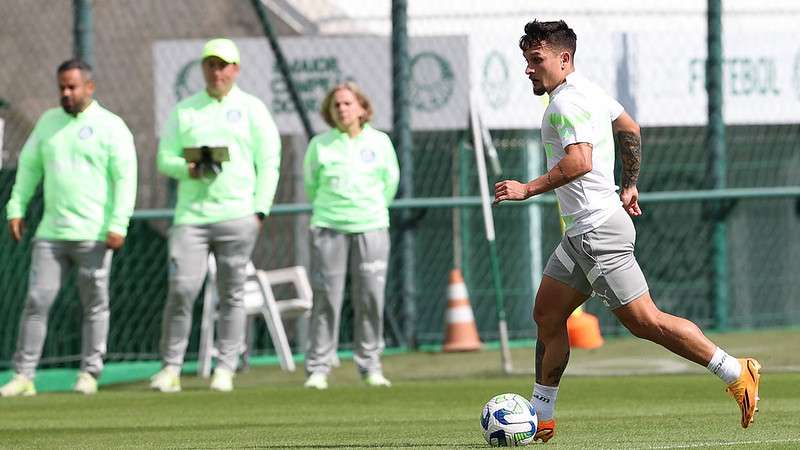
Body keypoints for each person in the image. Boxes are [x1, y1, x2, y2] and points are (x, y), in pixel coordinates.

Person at [493, 20, 761, 442]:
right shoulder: (588, 92)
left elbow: (579, 161)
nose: (528, 68)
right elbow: (629, 128)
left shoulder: (565, 104)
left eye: (536, 59)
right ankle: (541, 415)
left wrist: (528, 188)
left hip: (598, 233)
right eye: (526, 60)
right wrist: (629, 183)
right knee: (547, 314)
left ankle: (734, 369)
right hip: (582, 234)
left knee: (645, 321)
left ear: (564, 59)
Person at [149, 38, 281, 393]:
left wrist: (259, 209)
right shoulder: (185, 110)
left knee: (232, 294)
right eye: (210, 64)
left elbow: (269, 162)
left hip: (238, 216)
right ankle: (171, 368)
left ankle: (225, 368)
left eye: (223, 64)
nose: (216, 71)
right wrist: (188, 169)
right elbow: (164, 158)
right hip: (191, 217)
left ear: (236, 69)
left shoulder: (253, 109)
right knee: (181, 290)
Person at [1, 59, 138, 397]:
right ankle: (24, 376)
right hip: (51, 233)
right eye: (61, 86)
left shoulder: (111, 126)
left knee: (94, 304)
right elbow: (30, 167)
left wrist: (118, 223)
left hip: (94, 236)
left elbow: (125, 178)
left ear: (89, 87)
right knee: (37, 301)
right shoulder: (48, 122)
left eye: (72, 87)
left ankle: (90, 373)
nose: (66, 92)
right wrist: (16, 207)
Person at [302, 82, 399, 390]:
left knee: (370, 297)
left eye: (347, 103)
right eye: (336, 105)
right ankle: (319, 368)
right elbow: (311, 184)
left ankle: (370, 366)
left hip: (370, 226)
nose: (342, 109)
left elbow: (390, 183)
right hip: (328, 227)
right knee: (326, 298)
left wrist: (367, 211)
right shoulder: (320, 144)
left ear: (361, 108)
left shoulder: (380, 142)